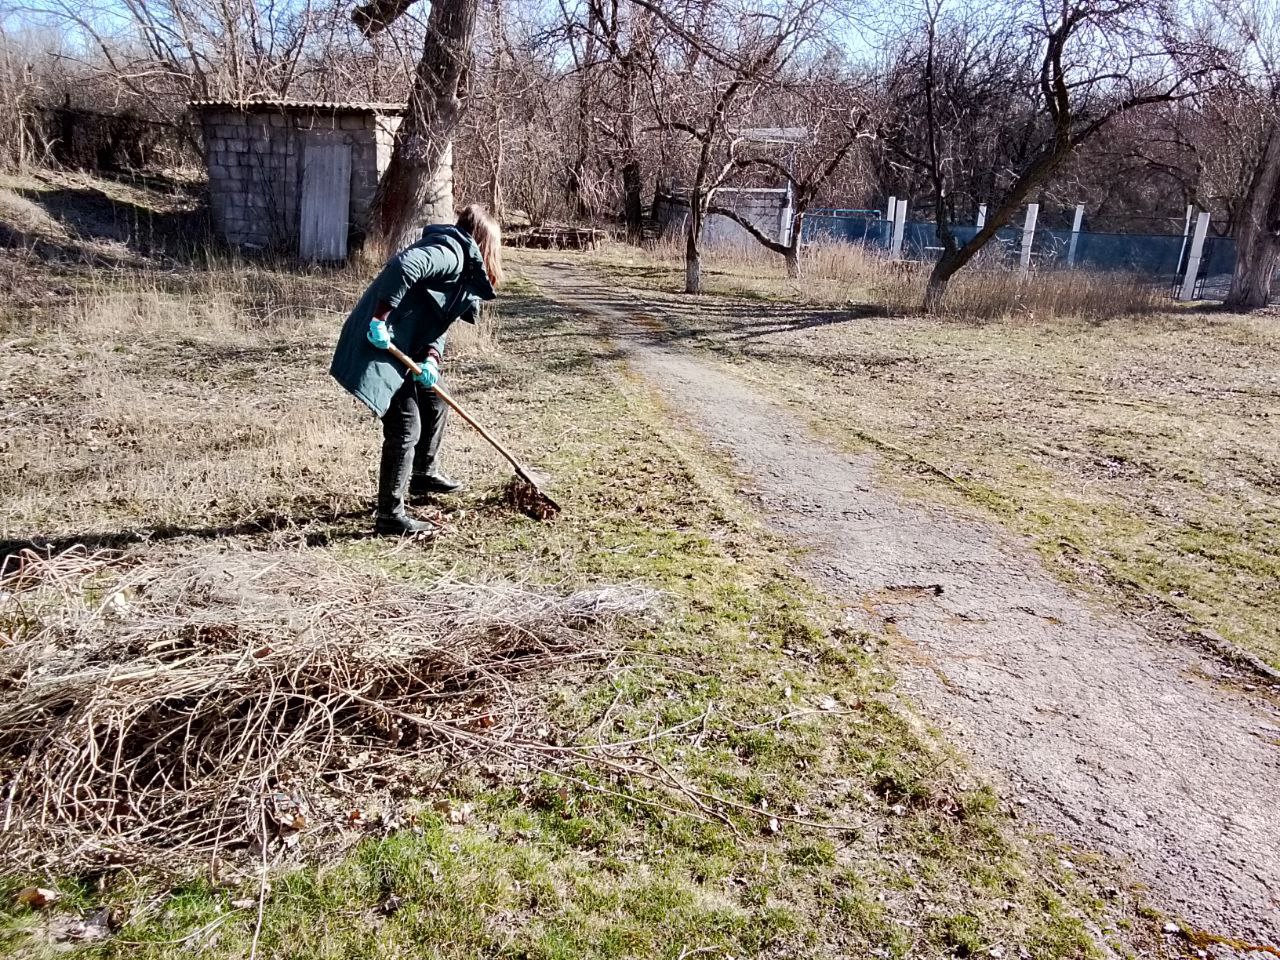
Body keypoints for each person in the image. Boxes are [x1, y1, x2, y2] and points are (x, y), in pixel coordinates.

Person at [330, 205, 504, 535]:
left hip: (405, 346)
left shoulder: (462, 267)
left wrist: (432, 361)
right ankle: (389, 516)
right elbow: (404, 266)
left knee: (436, 398)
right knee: (405, 425)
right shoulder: (451, 253)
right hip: (378, 342)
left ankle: (423, 473)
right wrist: (379, 320)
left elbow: (438, 321)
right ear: (482, 241)